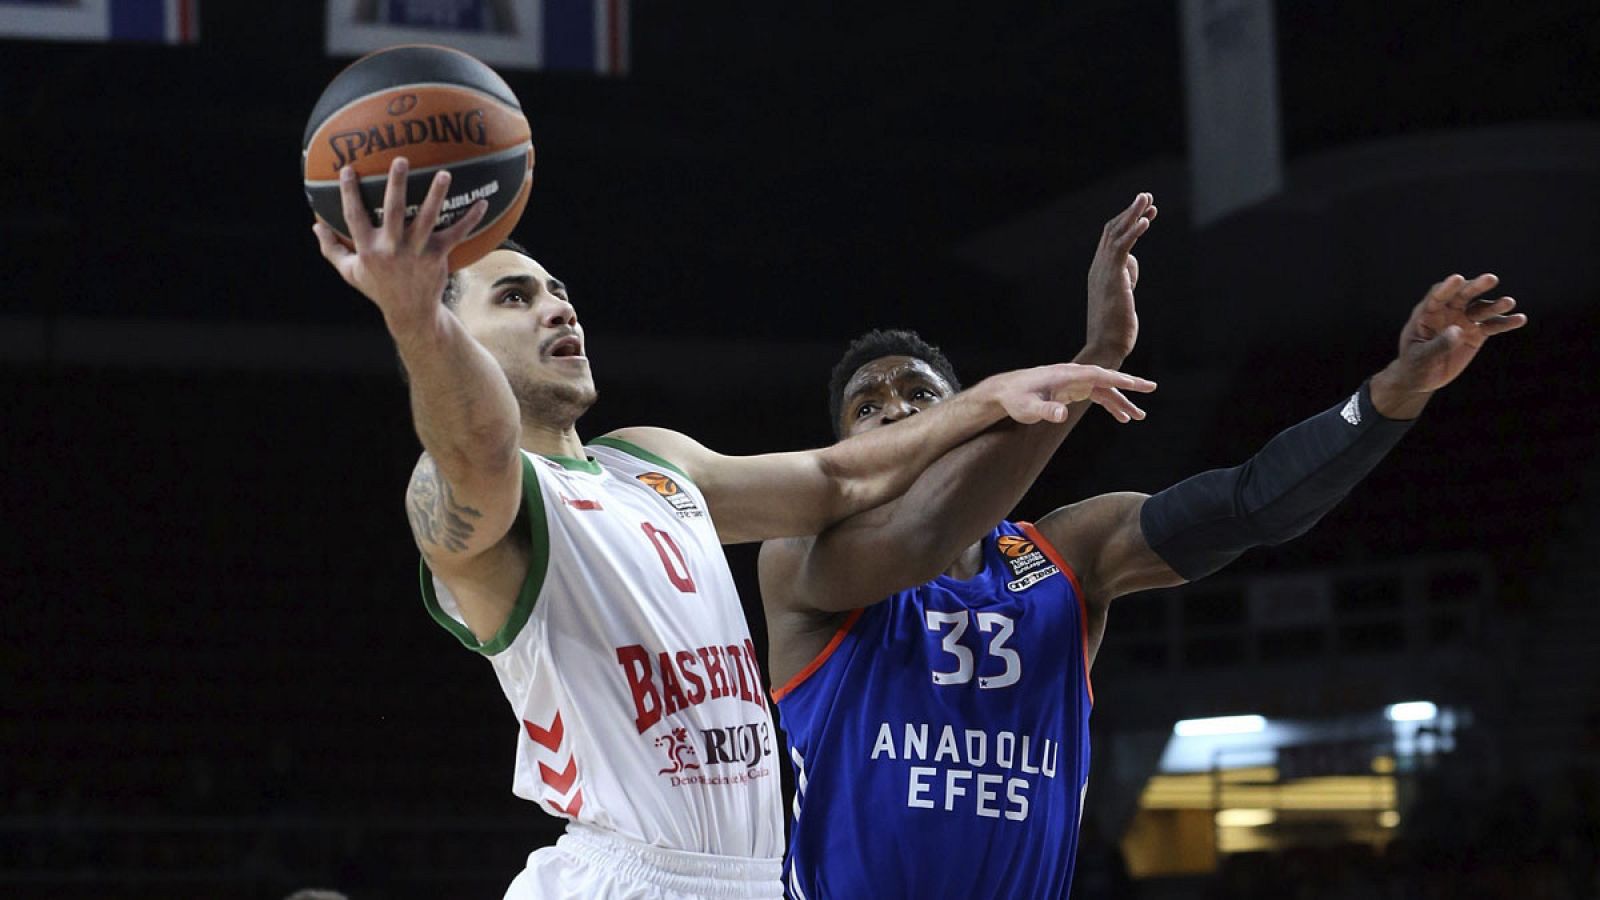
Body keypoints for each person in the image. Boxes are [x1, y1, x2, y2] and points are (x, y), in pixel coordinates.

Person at [311, 158, 1157, 899]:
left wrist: (988, 399)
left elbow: (838, 477)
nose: (557, 309)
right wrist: (417, 321)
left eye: (558, 291)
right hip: (623, 876)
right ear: (459, 336)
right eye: (515, 296)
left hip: (752, 877)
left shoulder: (647, 461)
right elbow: (471, 444)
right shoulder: (475, 496)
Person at [760, 192, 1527, 899]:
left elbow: (1253, 503)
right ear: (843, 447)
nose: (897, 411)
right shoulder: (802, 562)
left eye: (922, 395)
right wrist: (1095, 360)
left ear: (965, 415)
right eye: (870, 407)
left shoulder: (1067, 555)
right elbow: (925, 536)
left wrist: (1393, 394)